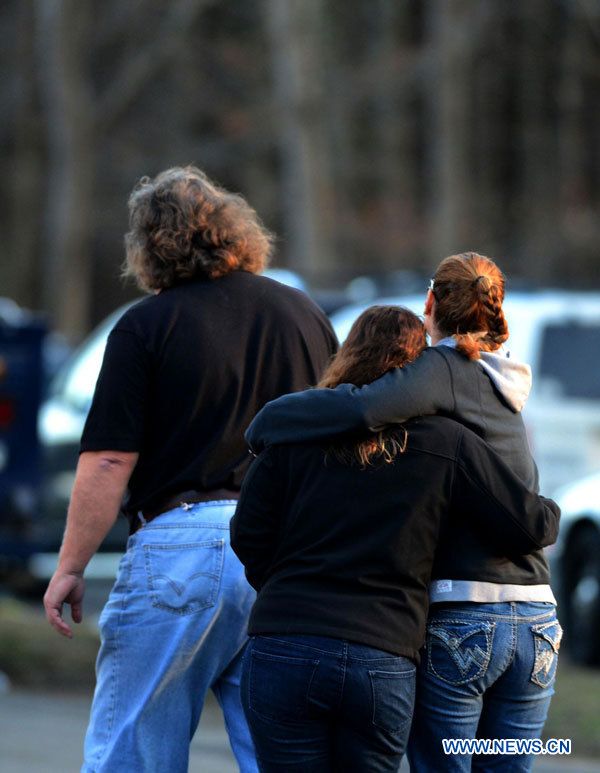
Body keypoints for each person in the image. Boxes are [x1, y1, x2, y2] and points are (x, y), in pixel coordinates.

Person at [43, 166, 338, 773]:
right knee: (281, 756)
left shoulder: (146, 326)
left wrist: (71, 565)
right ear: (237, 232)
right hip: (290, 554)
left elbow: (107, 458)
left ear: (150, 246)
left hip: (184, 547)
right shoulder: (305, 317)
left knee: (136, 750)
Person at [245, 253, 562, 772]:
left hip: (466, 617)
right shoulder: (506, 384)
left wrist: (267, 422)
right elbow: (526, 514)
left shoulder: (441, 370)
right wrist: (547, 512)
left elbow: (363, 410)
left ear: (432, 302)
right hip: (536, 622)